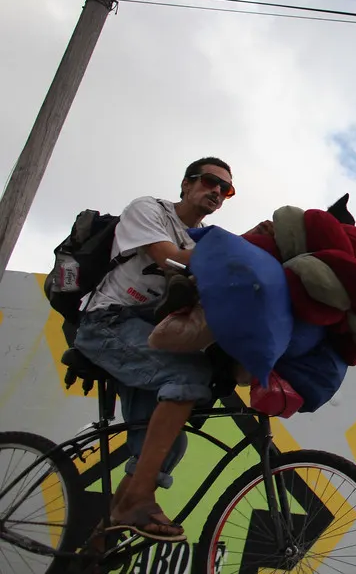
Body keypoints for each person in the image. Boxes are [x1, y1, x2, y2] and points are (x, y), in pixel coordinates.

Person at [74, 157, 269, 542]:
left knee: (165, 445)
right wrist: (242, 255)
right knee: (187, 375)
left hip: (152, 336)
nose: (217, 191)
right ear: (186, 183)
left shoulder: (210, 239)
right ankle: (137, 501)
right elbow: (171, 258)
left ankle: (97, 547)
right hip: (107, 323)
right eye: (211, 182)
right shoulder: (149, 210)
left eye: (226, 189)